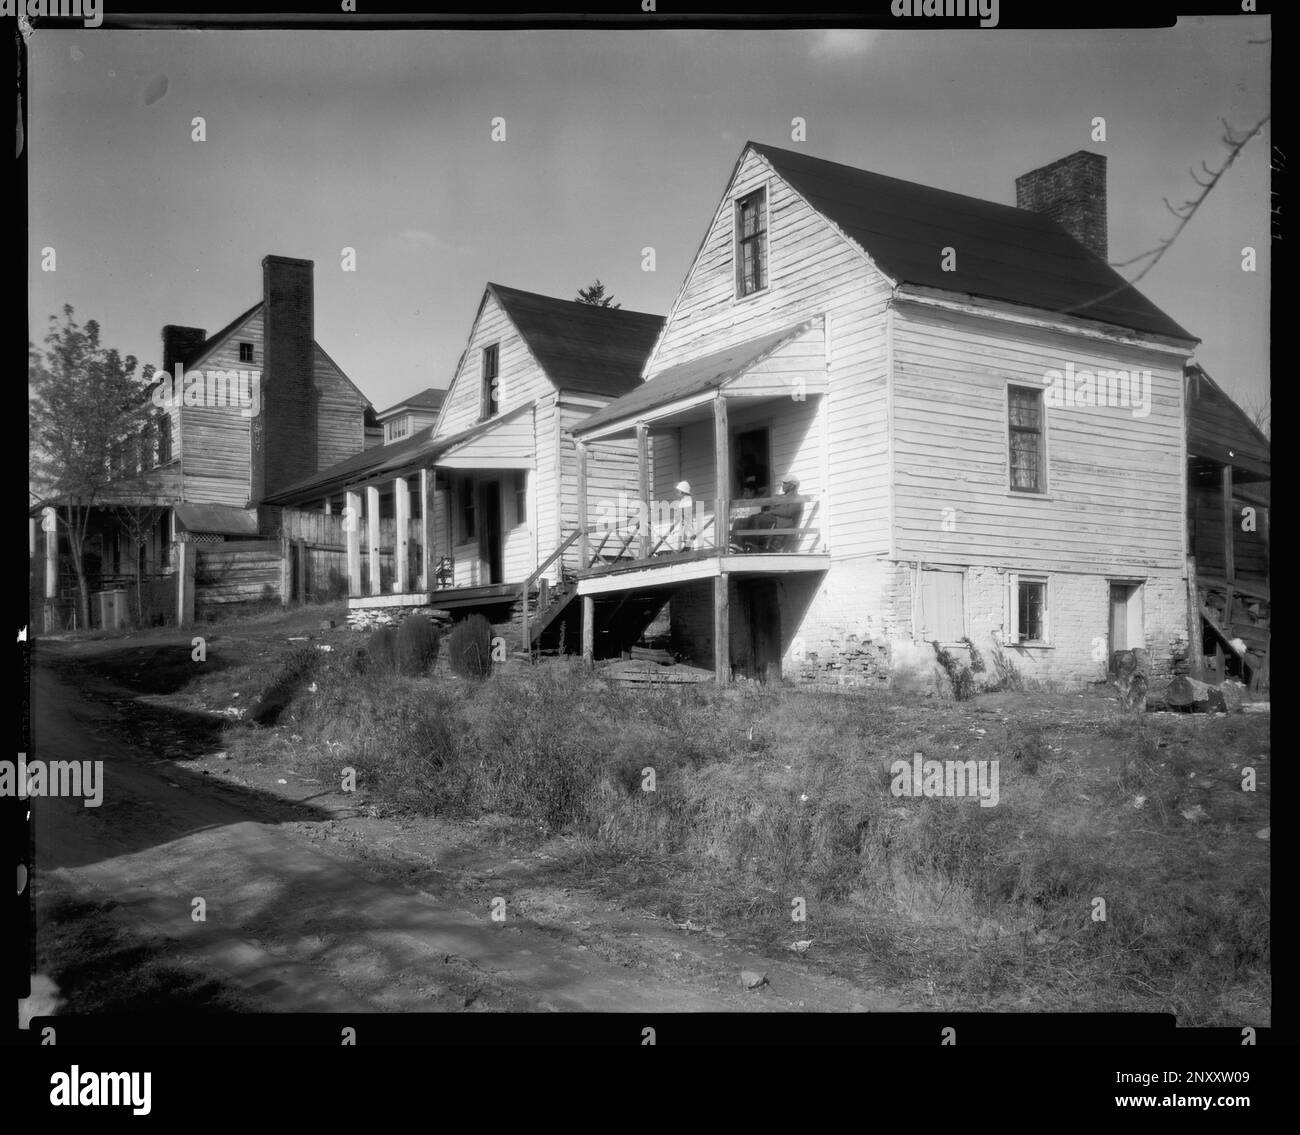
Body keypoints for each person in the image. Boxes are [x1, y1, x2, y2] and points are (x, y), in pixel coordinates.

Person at [744, 474, 804, 551]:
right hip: (772, 520)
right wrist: (773, 506)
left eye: (785, 483)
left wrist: (771, 511)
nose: (782, 485)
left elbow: (788, 512)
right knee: (750, 518)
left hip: (780, 523)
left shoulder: (797, 498)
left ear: (792, 486)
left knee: (757, 519)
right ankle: (740, 545)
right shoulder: (780, 497)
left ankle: (752, 543)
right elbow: (772, 506)